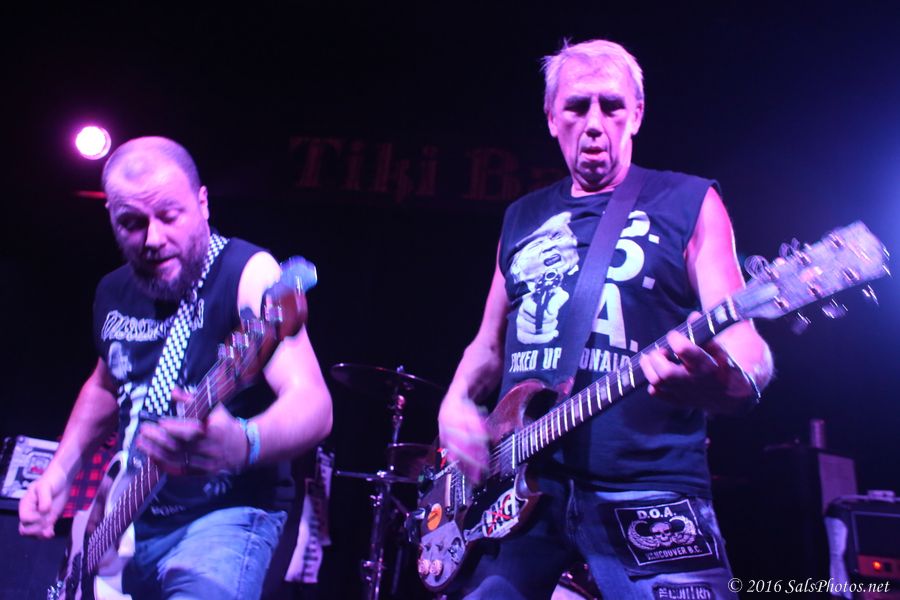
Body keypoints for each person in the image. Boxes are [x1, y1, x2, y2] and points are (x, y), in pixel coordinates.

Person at [437, 39, 774, 599]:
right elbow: (487, 347)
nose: (594, 123)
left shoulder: (689, 201)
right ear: (552, 119)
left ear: (636, 114)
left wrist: (725, 383)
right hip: (520, 490)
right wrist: (454, 403)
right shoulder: (522, 216)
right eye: (576, 106)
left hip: (650, 489)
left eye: (612, 106)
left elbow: (745, 340)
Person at [19, 136, 333, 599]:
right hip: (126, 517)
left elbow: (313, 403)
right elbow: (105, 384)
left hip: (222, 517)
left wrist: (244, 443)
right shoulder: (112, 291)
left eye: (169, 216)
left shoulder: (248, 273)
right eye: (131, 223)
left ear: (203, 203)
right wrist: (60, 472)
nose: (152, 239)